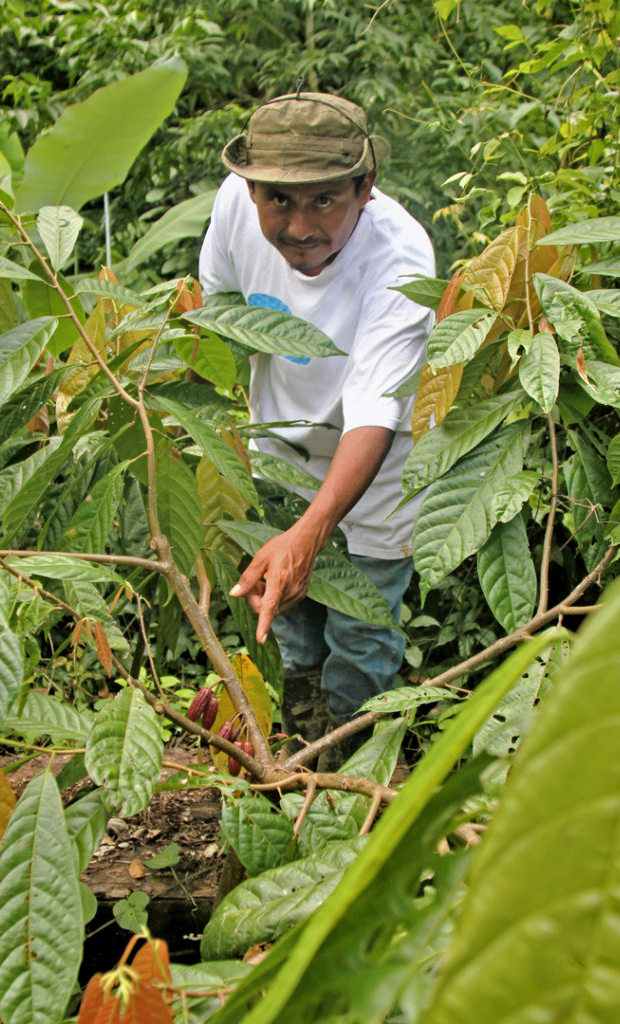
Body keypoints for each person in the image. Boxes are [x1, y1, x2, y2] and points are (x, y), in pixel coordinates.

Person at [199, 89, 435, 763]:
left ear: (365, 187)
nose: (300, 225)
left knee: (361, 631)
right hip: (280, 446)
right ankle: (300, 757)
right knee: (287, 622)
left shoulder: (400, 260)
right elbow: (217, 319)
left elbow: (373, 411)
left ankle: (356, 769)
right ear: (250, 191)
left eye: (324, 200)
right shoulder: (231, 207)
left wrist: (312, 530)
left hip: (379, 462)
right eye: (278, 199)